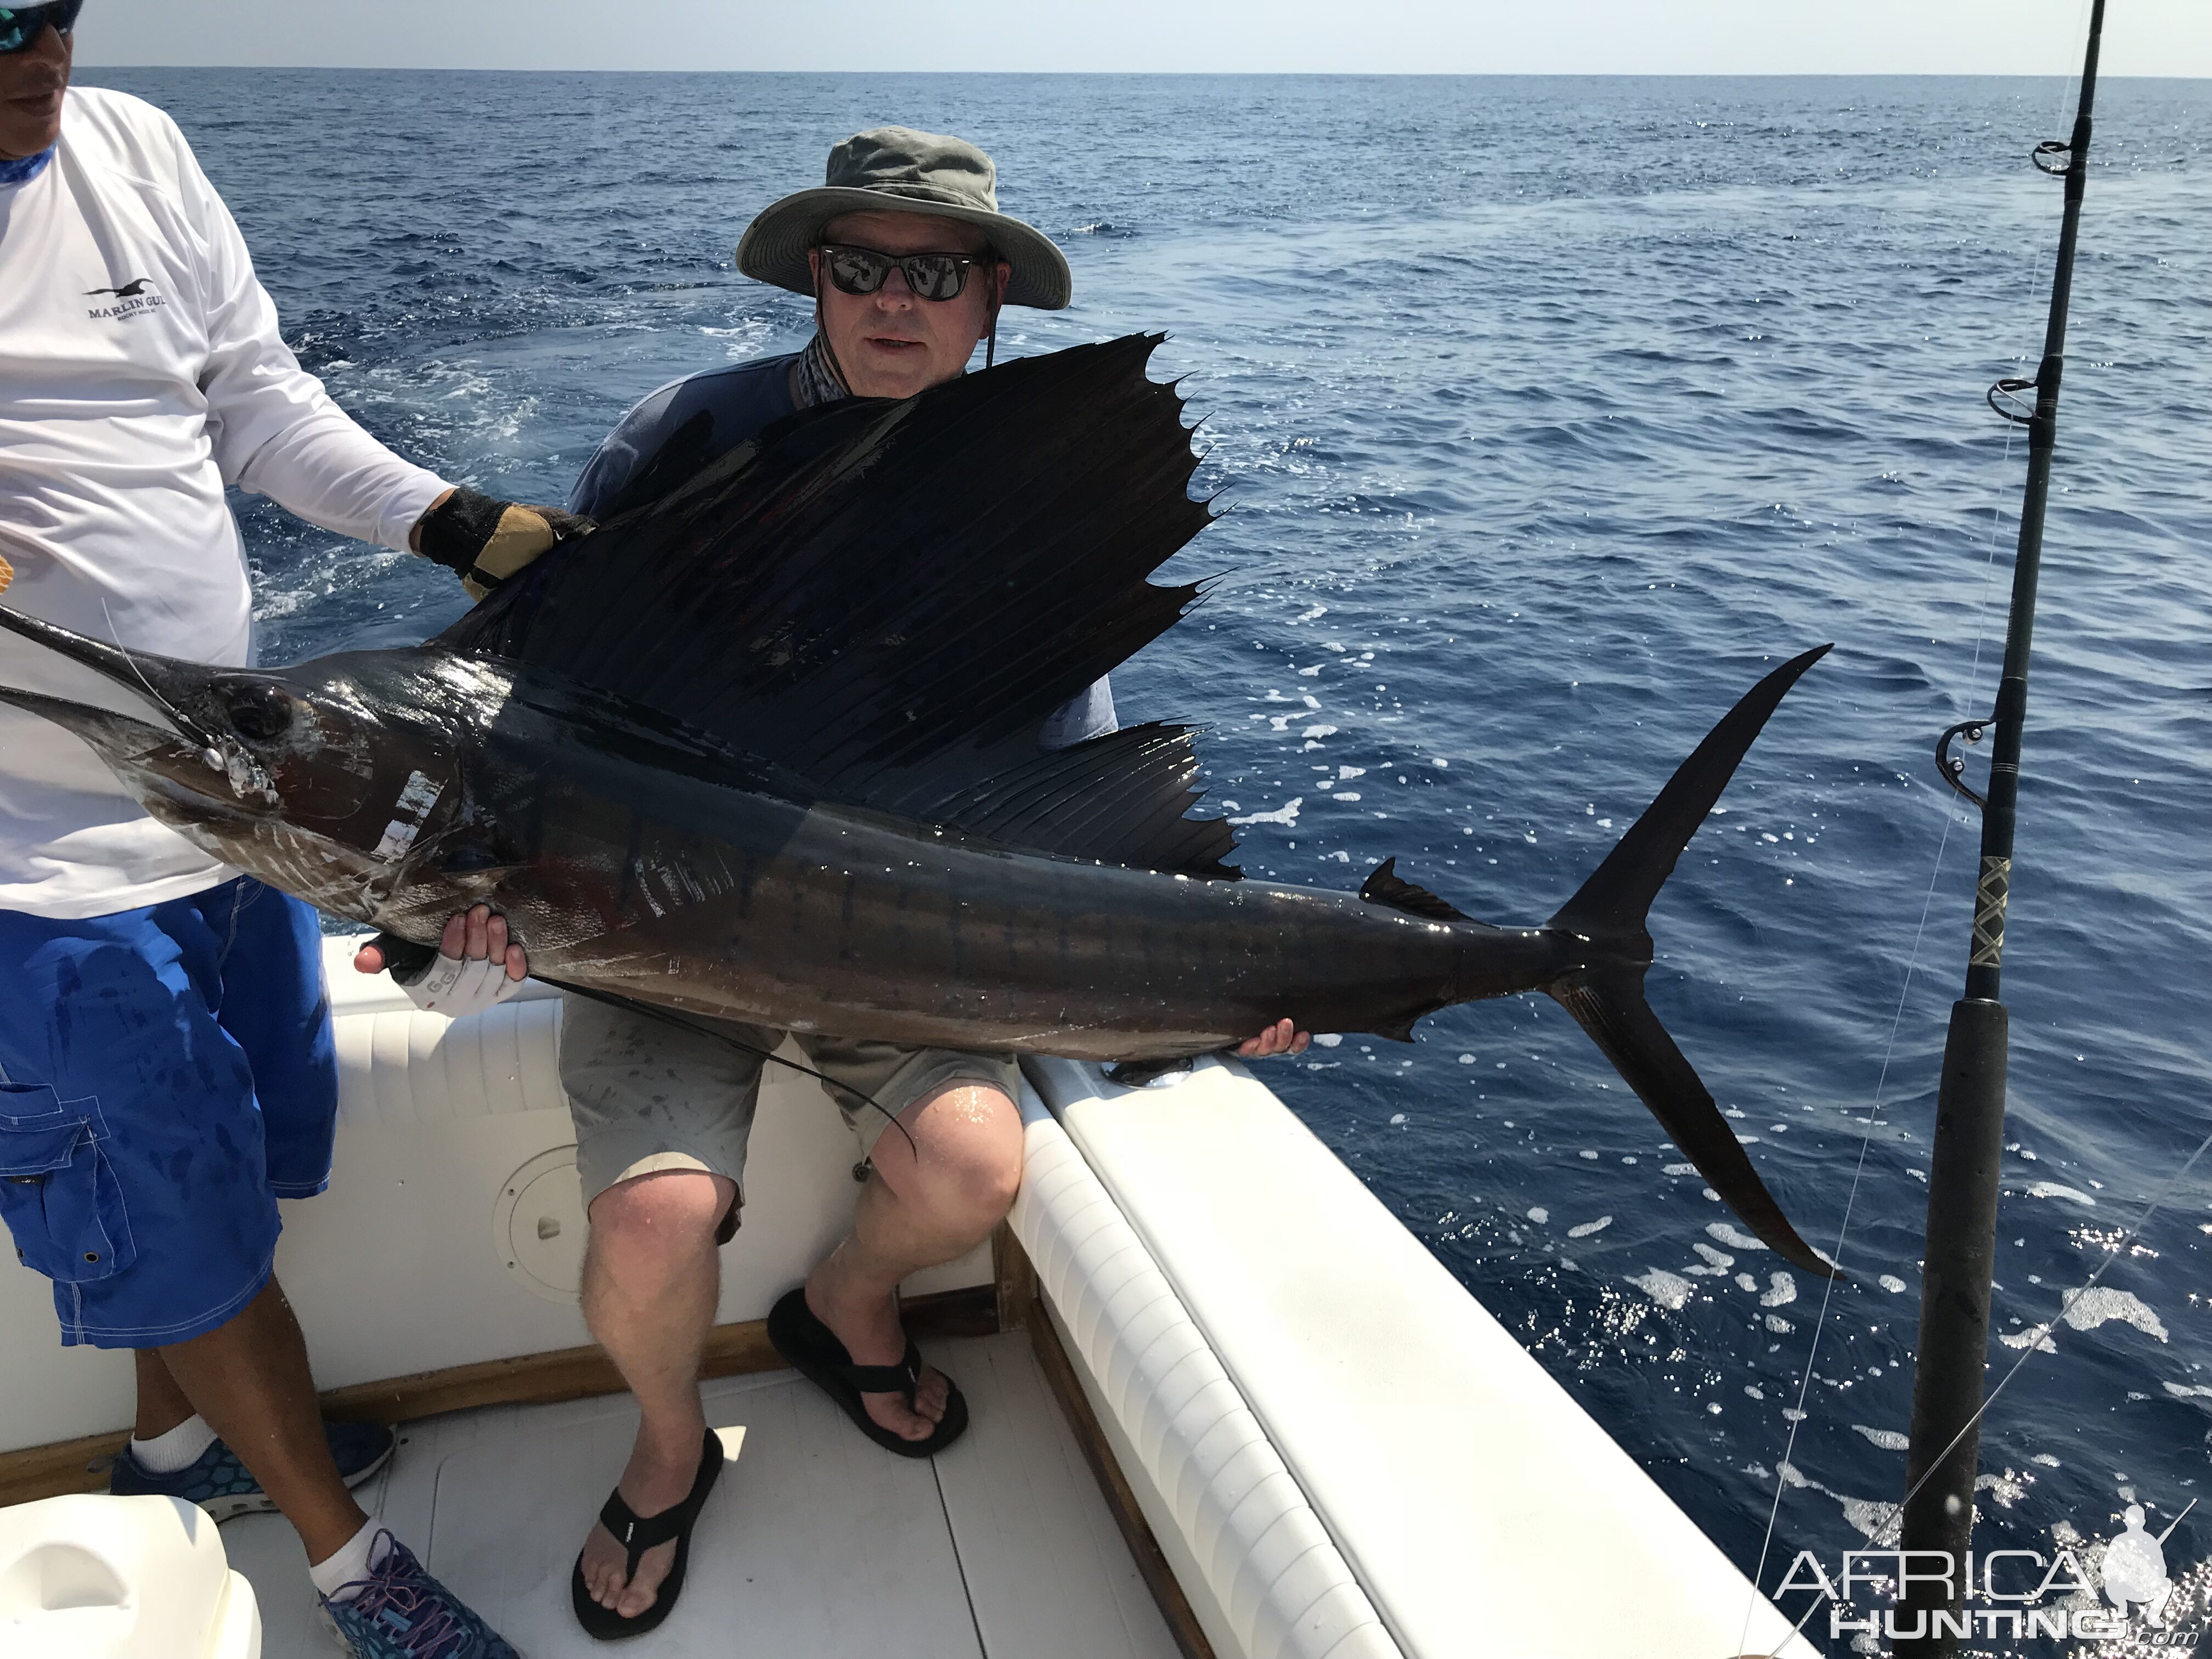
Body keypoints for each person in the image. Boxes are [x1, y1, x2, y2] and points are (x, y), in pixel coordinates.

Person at [477, 125, 1311, 1639]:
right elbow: (536, 712)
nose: (896, 301)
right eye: (864, 266)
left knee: (979, 1174)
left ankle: (843, 1305)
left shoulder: (1033, 488)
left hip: (883, 940)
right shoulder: (685, 432)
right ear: (817, 276)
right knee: (654, 1225)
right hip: (653, 927)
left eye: (936, 274)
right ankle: (671, 1454)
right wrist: (475, 887)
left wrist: (1216, 986)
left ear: (991, 298)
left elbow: (1069, 801)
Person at [0, 9, 574, 1657]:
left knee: (221, 1174)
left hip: (242, 821)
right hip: (41, 876)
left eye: (54, 7)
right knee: (171, 1194)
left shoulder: (136, 151)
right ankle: (348, 1565)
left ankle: (180, 1446)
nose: (37, 49)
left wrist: (454, 520)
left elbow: (254, 402)